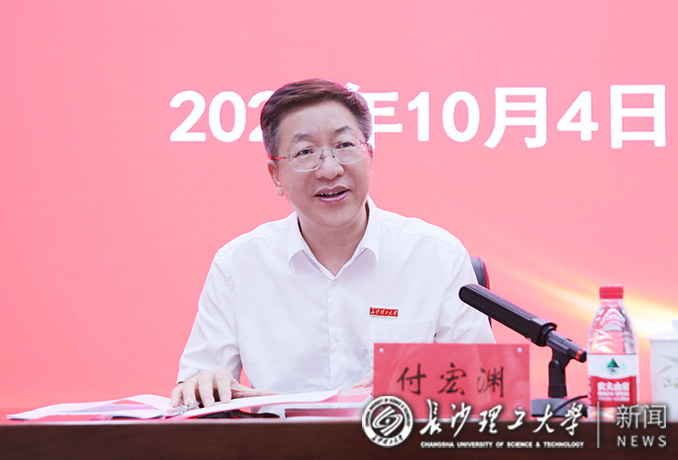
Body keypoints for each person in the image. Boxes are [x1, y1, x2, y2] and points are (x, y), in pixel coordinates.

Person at [170, 78, 494, 408]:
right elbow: (193, 390)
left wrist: (420, 380)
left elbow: (489, 389)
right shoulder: (237, 265)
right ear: (276, 176)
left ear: (369, 156)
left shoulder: (438, 256)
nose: (329, 169)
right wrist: (204, 385)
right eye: (305, 152)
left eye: (344, 145)